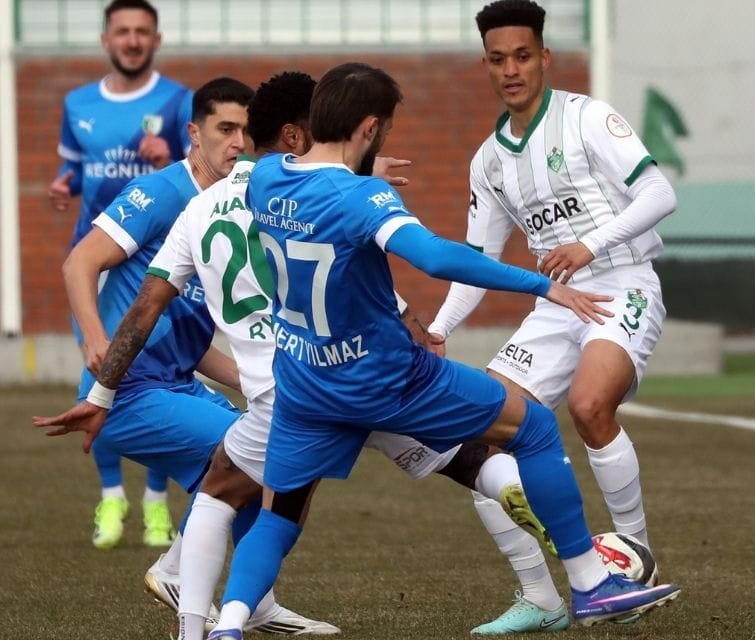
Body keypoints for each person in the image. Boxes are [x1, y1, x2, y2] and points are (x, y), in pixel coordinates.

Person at [36, 71, 555, 640]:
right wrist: (416, 324)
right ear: (292, 136)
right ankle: (559, 560)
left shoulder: (201, 209)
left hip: (287, 393)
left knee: (226, 488)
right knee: (470, 456)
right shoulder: (297, 198)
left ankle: (205, 625)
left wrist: (101, 390)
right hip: (352, 371)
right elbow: (349, 278)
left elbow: (144, 308)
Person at [202, 62, 680, 640]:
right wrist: (540, 284)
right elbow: (433, 257)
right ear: (372, 126)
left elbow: (288, 173)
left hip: (306, 386)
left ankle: (227, 625)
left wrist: (353, 167)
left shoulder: (269, 177)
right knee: (529, 427)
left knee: (280, 516)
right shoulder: (362, 196)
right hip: (386, 379)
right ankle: (588, 582)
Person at [37, 76, 337, 635]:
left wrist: (252, 382)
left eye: (246, 132)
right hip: (126, 393)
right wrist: (93, 339)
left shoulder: (239, 205)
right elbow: (79, 263)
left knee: (265, 458)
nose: (237, 143)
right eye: (225, 130)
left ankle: (254, 601)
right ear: (193, 134)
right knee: (260, 458)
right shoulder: (165, 194)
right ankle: (179, 575)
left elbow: (192, 344)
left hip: (173, 385)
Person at [426, 1, 680, 630]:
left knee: (592, 405)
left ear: (544, 57)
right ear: (486, 65)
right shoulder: (488, 160)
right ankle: (540, 598)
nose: (510, 69)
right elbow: (476, 263)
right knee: (478, 433)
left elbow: (660, 192)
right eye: (496, 59)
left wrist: (592, 245)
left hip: (620, 285)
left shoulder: (588, 117)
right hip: (556, 304)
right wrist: (437, 328)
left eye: (521, 56)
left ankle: (632, 559)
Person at [49, 0, 193, 551]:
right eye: (123, 31)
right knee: (99, 375)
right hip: (97, 262)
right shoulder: (77, 102)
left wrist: (165, 158)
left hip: (161, 265)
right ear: (106, 39)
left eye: (142, 31)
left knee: (161, 379)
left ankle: (157, 502)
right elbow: (77, 165)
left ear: (157, 39)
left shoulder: (179, 101)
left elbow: (196, 173)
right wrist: (66, 183)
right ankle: (111, 496)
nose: (132, 40)